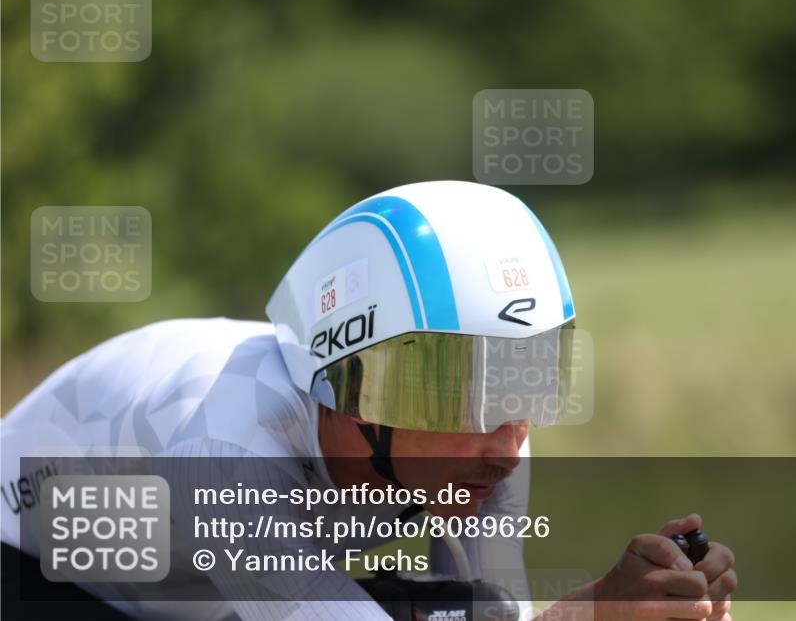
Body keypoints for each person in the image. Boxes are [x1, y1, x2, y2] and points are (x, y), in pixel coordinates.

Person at [1, 180, 736, 621]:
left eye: (525, 383)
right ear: (355, 390)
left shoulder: (487, 445)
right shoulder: (221, 450)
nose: (506, 442)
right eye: (456, 393)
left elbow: (492, 614)